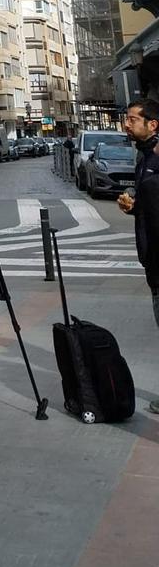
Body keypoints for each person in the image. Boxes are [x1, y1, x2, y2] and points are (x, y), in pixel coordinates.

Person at [118, 97, 159, 414]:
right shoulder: (145, 156)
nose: (126, 123)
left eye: (133, 119)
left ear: (152, 124)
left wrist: (139, 205)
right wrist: (135, 205)